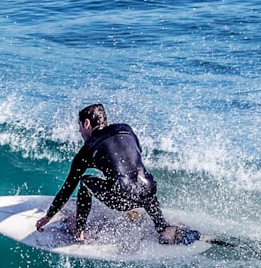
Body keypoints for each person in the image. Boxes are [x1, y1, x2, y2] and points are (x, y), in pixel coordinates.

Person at [35, 104, 183, 244]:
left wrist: (48, 216)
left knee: (85, 182)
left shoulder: (89, 147)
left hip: (122, 200)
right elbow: (134, 156)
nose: (80, 132)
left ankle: (79, 230)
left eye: (79, 127)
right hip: (149, 191)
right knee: (138, 180)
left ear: (87, 123)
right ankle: (163, 228)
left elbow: (68, 188)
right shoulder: (126, 129)